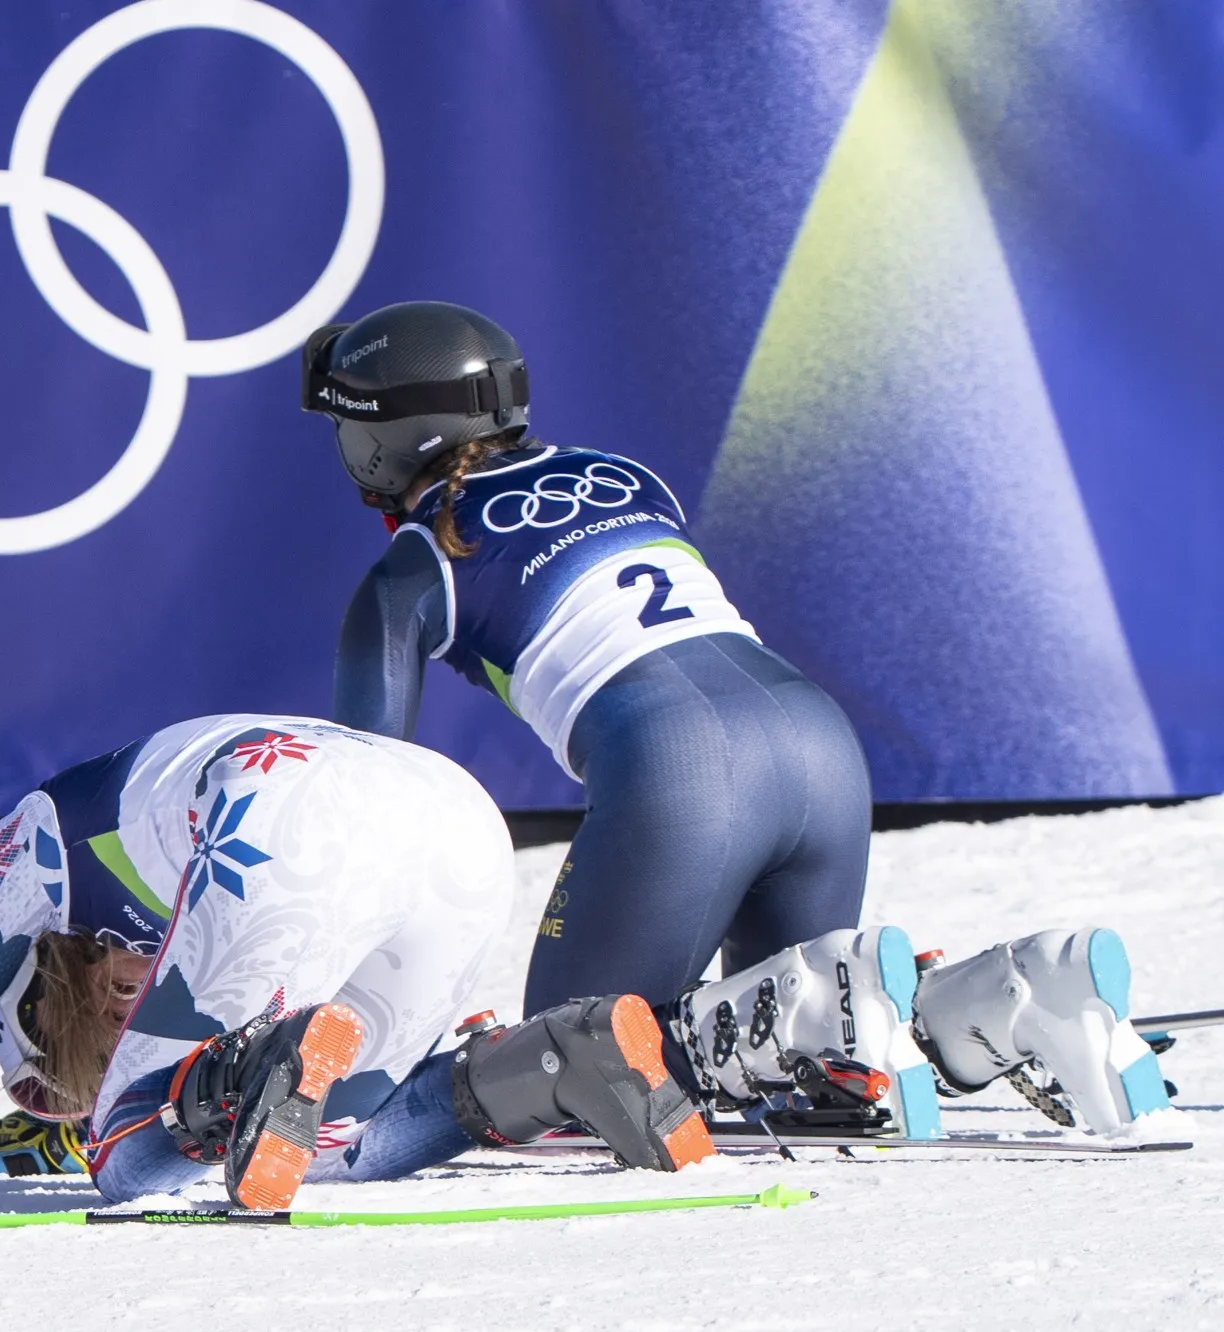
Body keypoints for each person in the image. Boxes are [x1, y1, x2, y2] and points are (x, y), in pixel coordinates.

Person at [303, 301, 1170, 1139]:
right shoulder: (624, 473)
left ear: (379, 437)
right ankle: (1006, 997)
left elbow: (373, 794)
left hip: (680, 769)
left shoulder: (415, 563)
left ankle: (880, 1005)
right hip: (819, 744)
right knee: (810, 1040)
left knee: (568, 1067)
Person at [0, 714, 717, 1209]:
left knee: (130, 1166)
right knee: (343, 1142)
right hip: (451, 817)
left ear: (34, 994)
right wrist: (58, 1119)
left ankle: (250, 1063)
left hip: (286, 811)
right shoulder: (116, 916)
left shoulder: (25, 862)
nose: (114, 1021)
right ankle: (555, 1061)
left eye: (52, 1051)